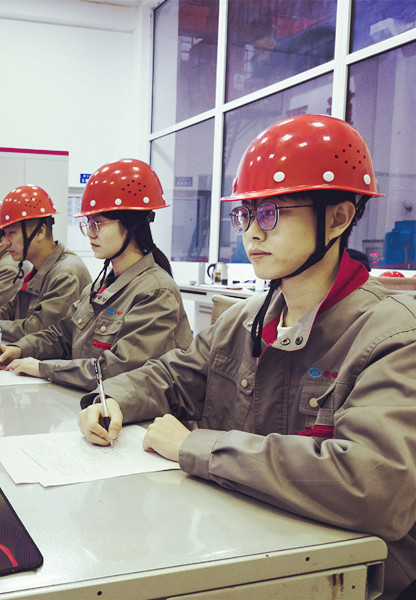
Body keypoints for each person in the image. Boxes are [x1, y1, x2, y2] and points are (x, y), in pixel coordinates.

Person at [77, 115, 416, 599]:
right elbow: (171, 376)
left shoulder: (393, 335)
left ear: (339, 217)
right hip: (244, 544)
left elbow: (374, 487)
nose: (252, 233)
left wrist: (196, 446)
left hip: (347, 575)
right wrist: (111, 400)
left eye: (272, 213)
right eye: (245, 214)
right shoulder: (246, 318)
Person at [0, 159, 192, 390]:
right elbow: (63, 335)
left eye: (98, 223)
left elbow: (119, 369)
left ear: (131, 224)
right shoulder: (101, 286)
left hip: (126, 410)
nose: (90, 233)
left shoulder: (156, 292)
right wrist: (21, 348)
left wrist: (44, 368)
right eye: (88, 223)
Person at [0, 185, 91, 342]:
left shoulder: (66, 273)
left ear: (40, 231)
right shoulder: (40, 268)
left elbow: (42, 329)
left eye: (11, 233)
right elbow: (11, 309)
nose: (6, 242)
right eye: (5, 234)